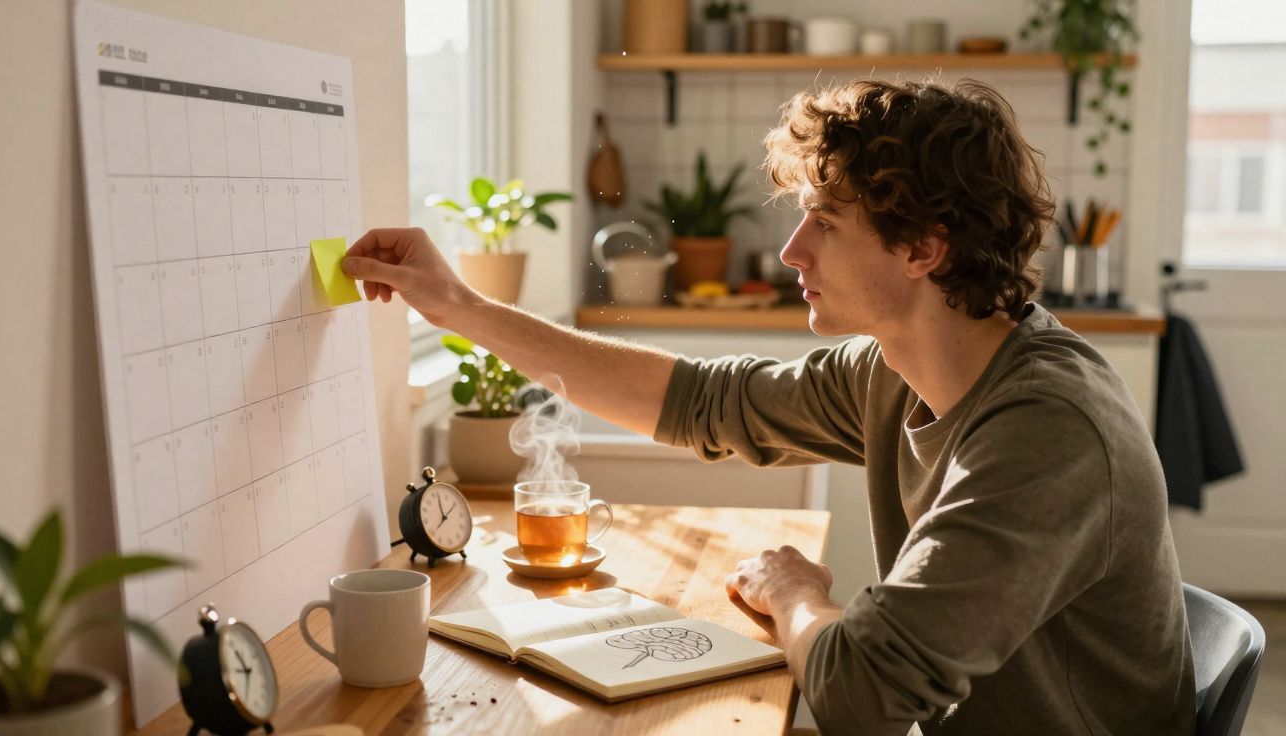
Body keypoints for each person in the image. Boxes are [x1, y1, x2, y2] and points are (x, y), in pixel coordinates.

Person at [342, 77, 1195, 735]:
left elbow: (863, 695)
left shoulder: (1048, 433)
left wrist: (796, 596)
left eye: (825, 220)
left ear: (924, 249)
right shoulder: (892, 369)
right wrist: (460, 308)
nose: (791, 250)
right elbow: (700, 401)